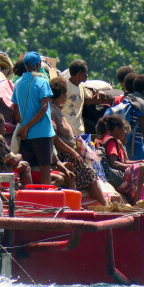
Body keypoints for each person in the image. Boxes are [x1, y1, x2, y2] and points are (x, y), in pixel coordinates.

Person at [49, 77, 107, 205]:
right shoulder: (52, 111)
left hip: (69, 153)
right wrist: (72, 152)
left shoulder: (57, 110)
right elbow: (54, 137)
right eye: (66, 94)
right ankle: (104, 204)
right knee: (88, 174)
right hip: (64, 155)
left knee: (90, 170)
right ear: (62, 95)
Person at [11, 51, 55, 185]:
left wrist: (24, 127)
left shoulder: (18, 83)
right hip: (42, 133)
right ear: (38, 65)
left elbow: (16, 108)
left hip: (26, 135)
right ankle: (45, 202)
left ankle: (28, 201)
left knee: (26, 168)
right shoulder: (42, 82)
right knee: (45, 168)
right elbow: (44, 108)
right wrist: (28, 126)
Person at [98, 114, 144, 204]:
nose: (125, 131)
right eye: (123, 128)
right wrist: (138, 165)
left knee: (143, 165)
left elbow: (124, 161)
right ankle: (136, 201)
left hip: (119, 174)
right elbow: (114, 163)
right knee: (142, 168)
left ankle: (139, 197)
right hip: (115, 178)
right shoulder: (111, 142)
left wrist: (141, 161)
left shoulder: (116, 142)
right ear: (117, 129)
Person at [61, 59, 106, 134]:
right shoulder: (65, 87)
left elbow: (90, 99)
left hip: (80, 132)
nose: (87, 75)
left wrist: (99, 92)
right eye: (86, 72)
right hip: (67, 132)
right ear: (80, 73)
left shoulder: (81, 86)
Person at [126, 74, 144, 160]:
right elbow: (143, 127)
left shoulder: (129, 99)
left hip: (125, 142)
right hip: (135, 143)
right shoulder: (140, 104)